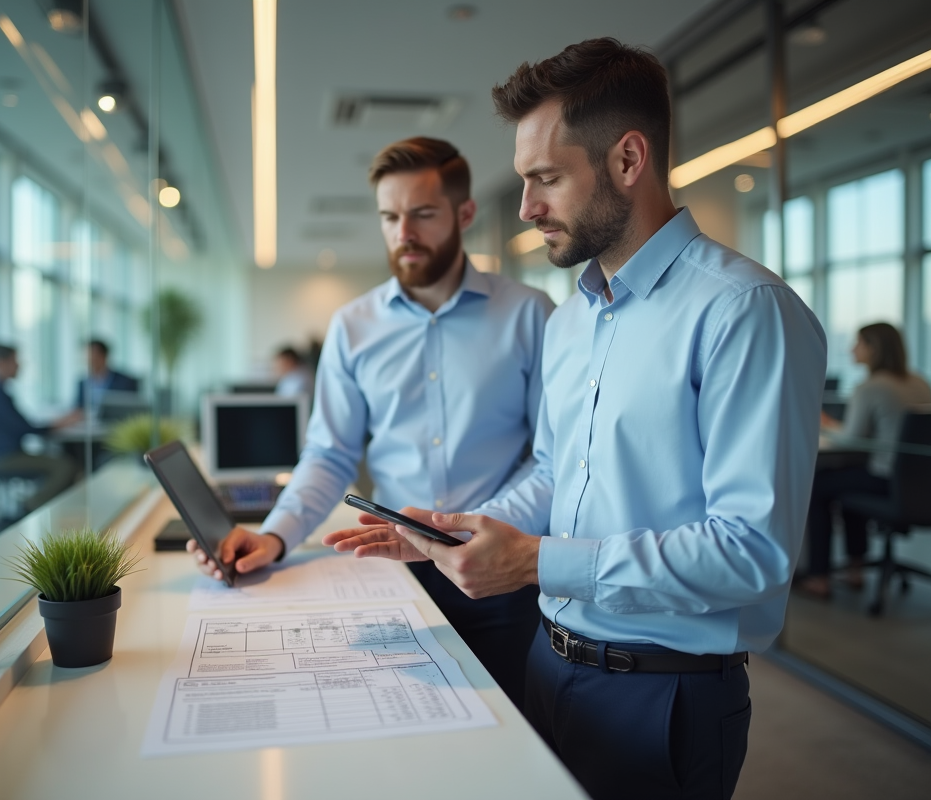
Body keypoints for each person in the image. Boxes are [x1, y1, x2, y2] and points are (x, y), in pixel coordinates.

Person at [326, 40, 825, 800]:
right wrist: (465, 529)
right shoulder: (571, 321)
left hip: (663, 694)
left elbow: (751, 551)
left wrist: (533, 564)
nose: (525, 209)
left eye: (546, 179)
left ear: (628, 160)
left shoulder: (742, 312)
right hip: (547, 660)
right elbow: (559, 474)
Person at [188, 137, 555, 709]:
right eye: (389, 217)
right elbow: (330, 454)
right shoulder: (353, 326)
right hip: (395, 573)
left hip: (500, 576)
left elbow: (550, 456)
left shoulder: (530, 315)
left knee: (512, 735)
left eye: (423, 214)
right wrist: (275, 533)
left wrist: (484, 527)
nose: (403, 233)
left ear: (464, 213)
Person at [799, 323, 931, 599]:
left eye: (858, 342)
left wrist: (826, 423)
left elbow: (850, 439)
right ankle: (855, 568)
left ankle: (819, 577)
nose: (852, 348)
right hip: (921, 485)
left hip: (884, 479)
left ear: (874, 348)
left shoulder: (871, 387)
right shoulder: (921, 382)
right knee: (848, 482)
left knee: (818, 487)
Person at [0, 344, 80, 513]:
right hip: (1, 458)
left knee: (59, 461)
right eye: (15, 361)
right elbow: (23, 428)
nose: (19, 365)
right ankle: (31, 506)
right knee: (65, 466)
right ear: (0, 362)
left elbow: (19, 425)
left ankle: (36, 506)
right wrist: (57, 424)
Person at [74, 339, 139, 413]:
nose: (89, 360)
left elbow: (132, 409)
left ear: (104, 356)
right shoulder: (83, 383)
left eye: (93, 356)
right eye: (87, 356)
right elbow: (78, 410)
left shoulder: (126, 382)